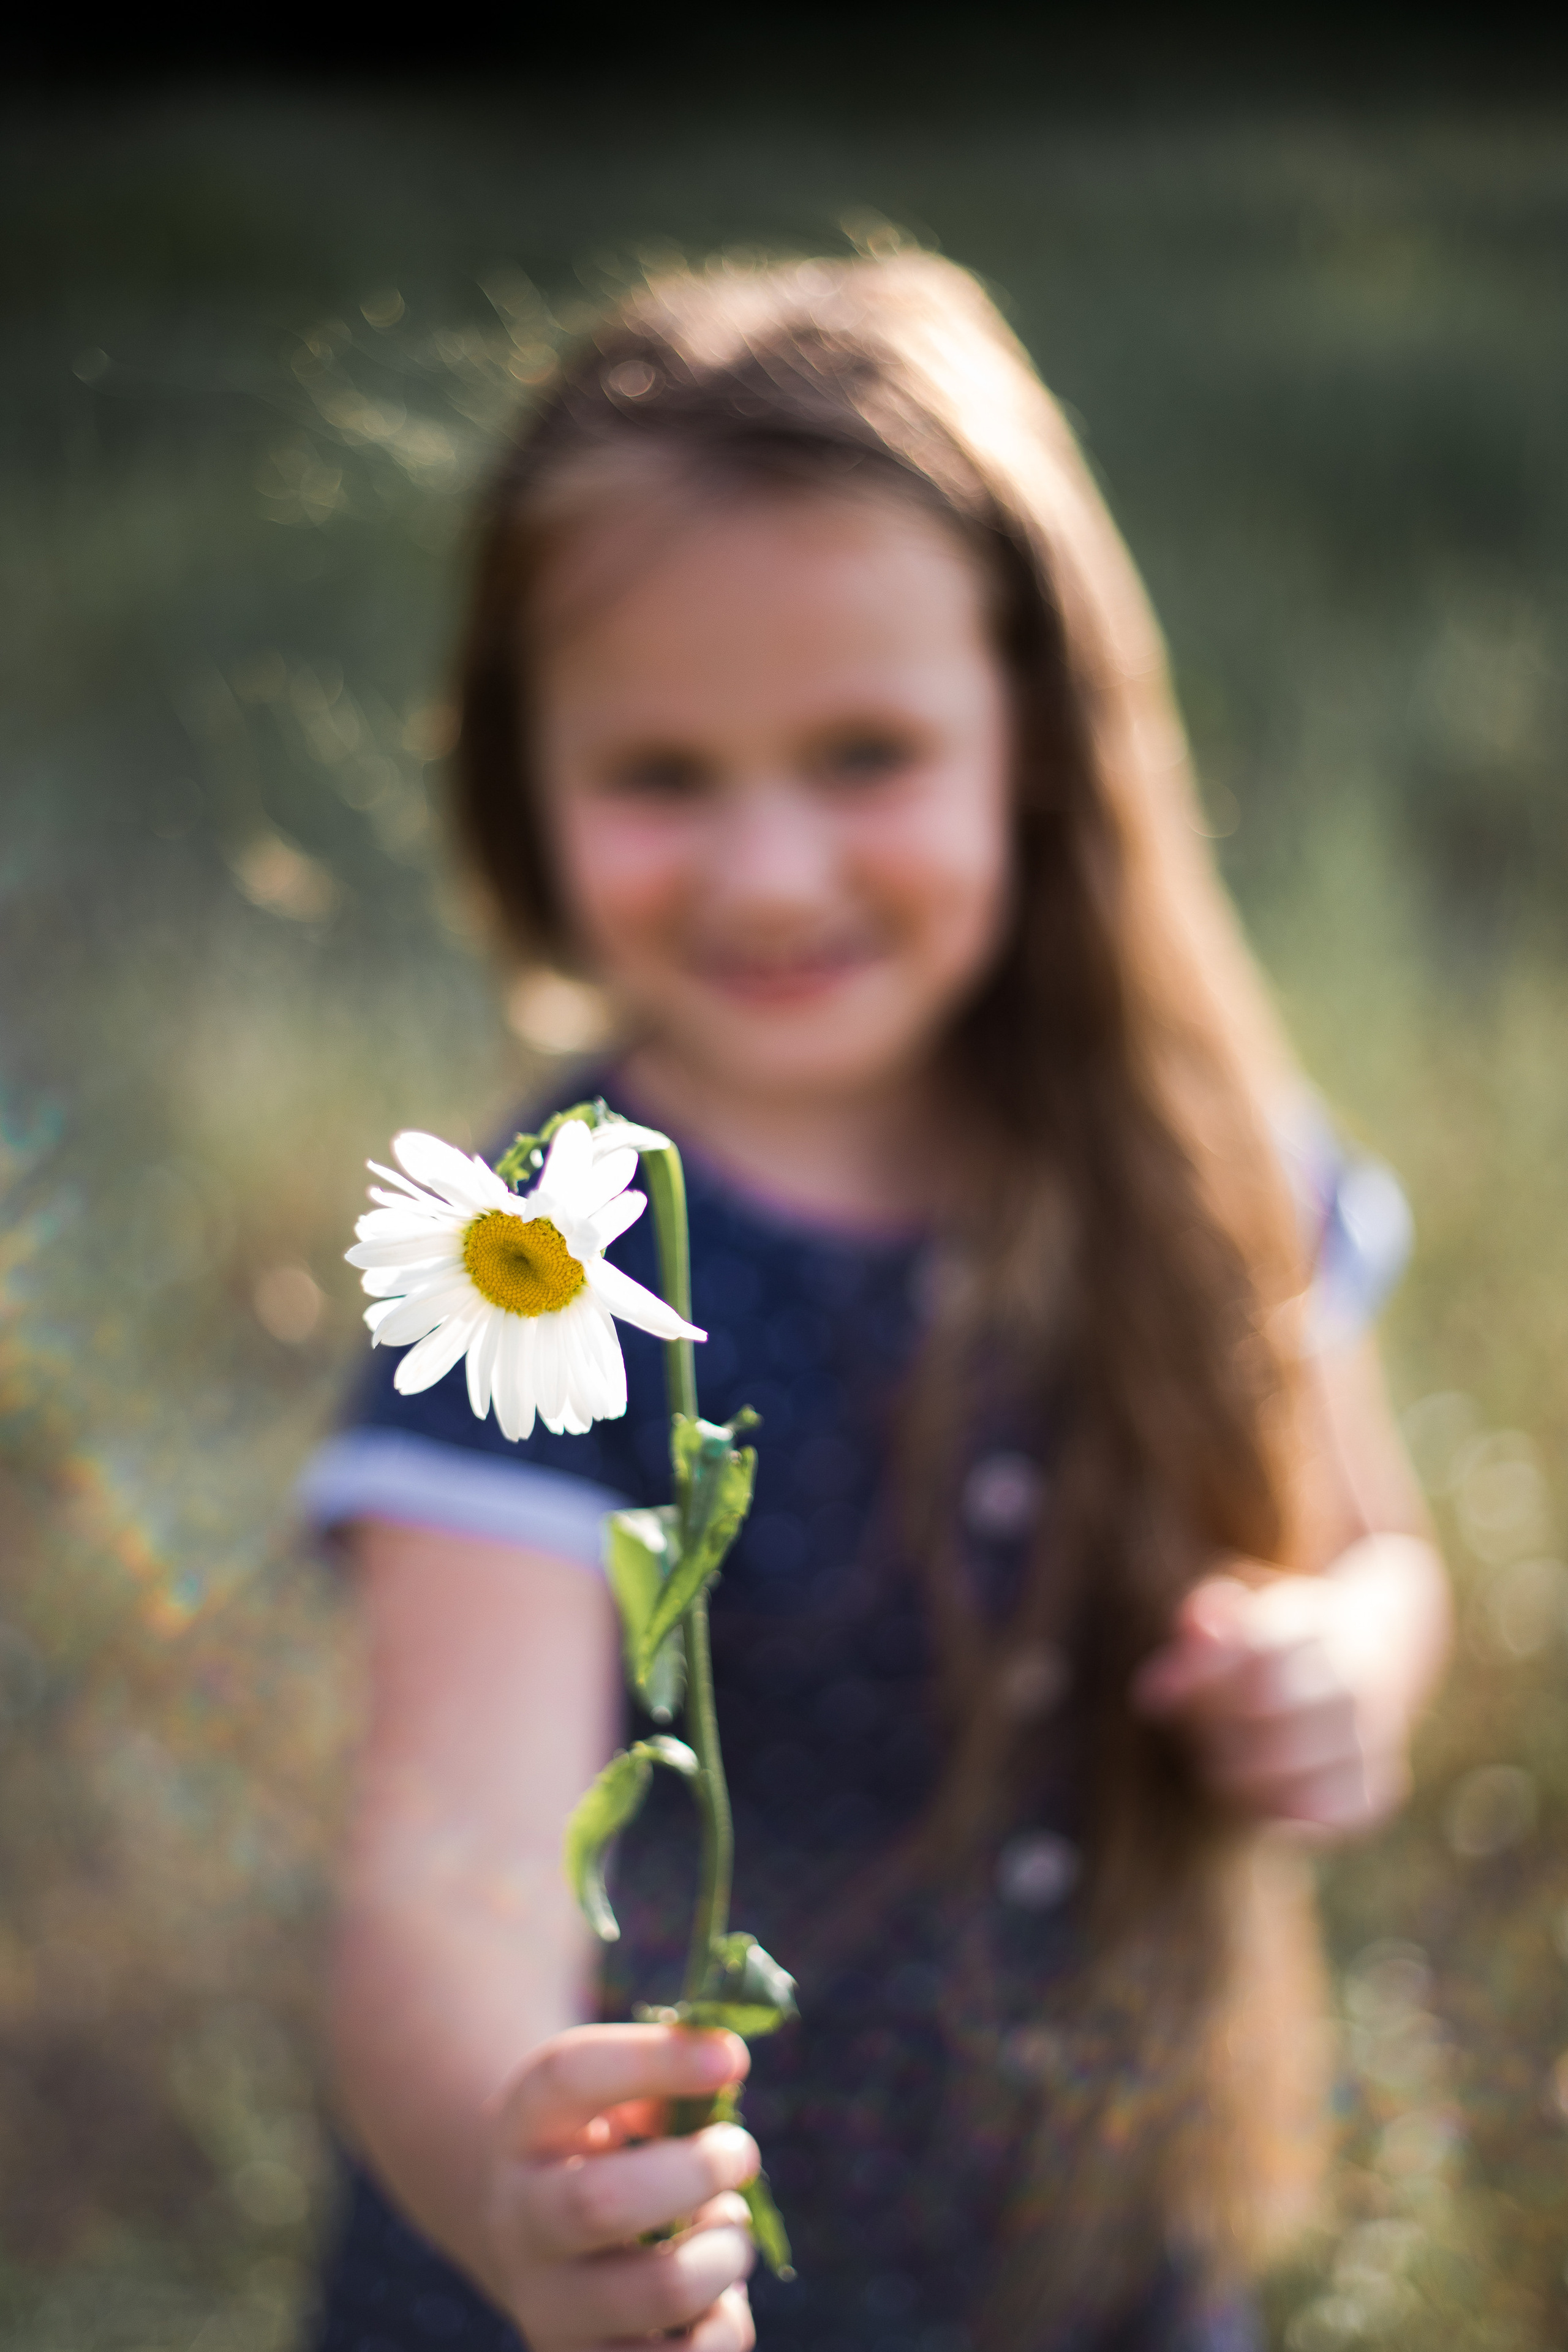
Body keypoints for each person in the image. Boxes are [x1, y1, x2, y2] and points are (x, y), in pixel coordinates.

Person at [298, 251, 1450, 2352]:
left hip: (1101, 2259)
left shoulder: (1200, 1159)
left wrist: (1341, 1670)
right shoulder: (534, 1255)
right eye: (661, 775)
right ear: (518, 781)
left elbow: (1374, 1555)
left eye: (862, 754)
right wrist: (508, 2179)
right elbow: (441, 1877)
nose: (767, 872)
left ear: (1039, 739)